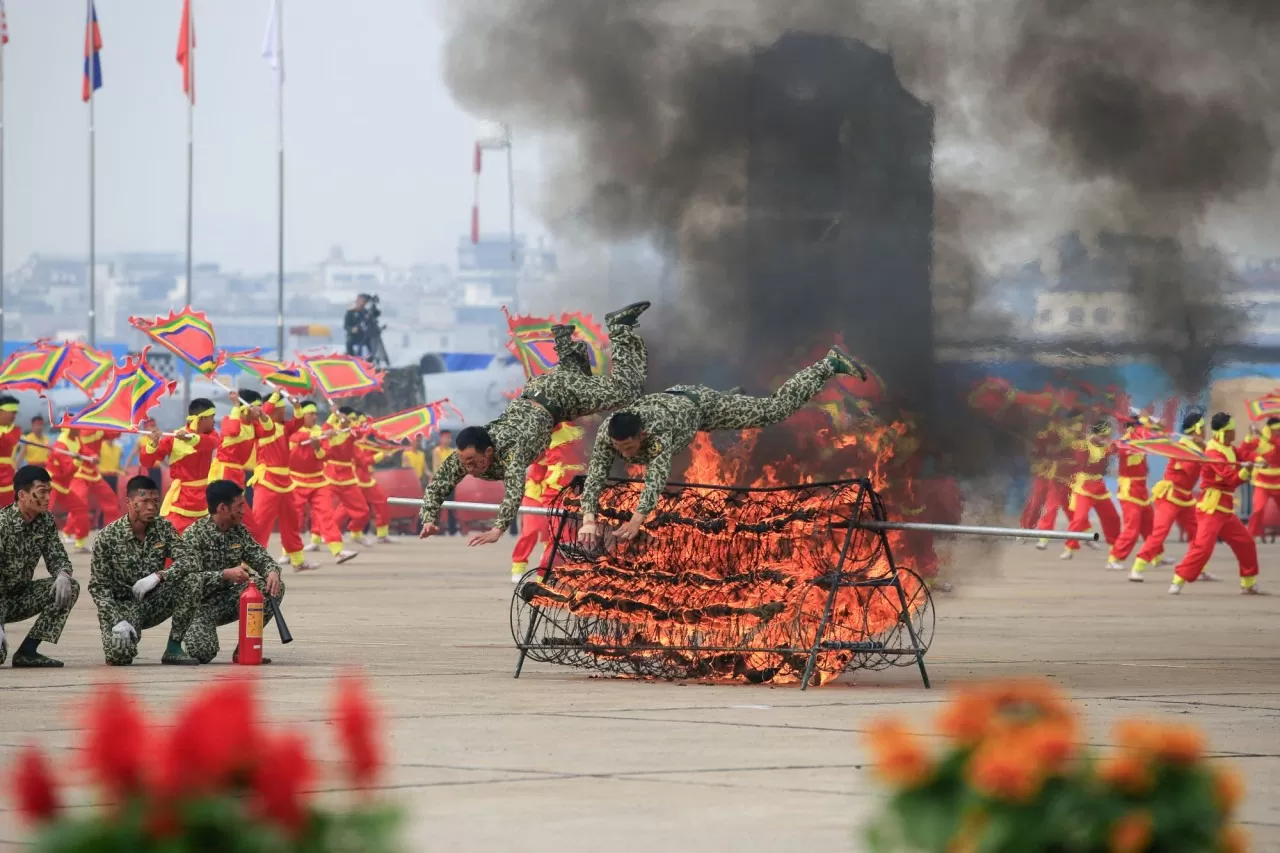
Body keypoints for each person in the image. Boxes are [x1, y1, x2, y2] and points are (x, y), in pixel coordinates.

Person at [577, 345, 867, 542]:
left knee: (774, 410)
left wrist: (637, 519)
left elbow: (655, 478)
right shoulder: (609, 435)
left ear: (641, 434)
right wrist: (588, 519)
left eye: (629, 447)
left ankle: (828, 363)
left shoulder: (658, 433)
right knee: (606, 465)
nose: (625, 453)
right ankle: (734, 397)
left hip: (700, 406)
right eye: (620, 448)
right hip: (679, 411)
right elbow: (595, 476)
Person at [420, 301, 652, 545]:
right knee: (577, 376)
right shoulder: (465, 456)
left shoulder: (511, 453)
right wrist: (428, 517)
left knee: (627, 391)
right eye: (465, 463)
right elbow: (438, 485)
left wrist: (497, 530)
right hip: (540, 392)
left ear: (489, 452)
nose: (469, 469)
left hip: (557, 398)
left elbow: (513, 493)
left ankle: (619, 328)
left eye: (472, 462)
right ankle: (564, 342)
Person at [87, 475, 225, 666]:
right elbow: (98, 587)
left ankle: (174, 647)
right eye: (144, 502)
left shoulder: (163, 528)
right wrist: (117, 619)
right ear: (129, 502)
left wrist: (160, 575)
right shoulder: (108, 537)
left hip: (155, 601)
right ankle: (121, 634)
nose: (151, 507)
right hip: (123, 606)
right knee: (120, 656)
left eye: (155, 501)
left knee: (193, 579)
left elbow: (191, 559)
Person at [181, 480, 287, 664]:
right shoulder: (194, 535)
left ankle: (246, 650)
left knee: (269, 588)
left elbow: (260, 556)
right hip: (200, 605)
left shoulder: (239, 531)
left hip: (230, 599)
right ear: (222, 507)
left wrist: (272, 571)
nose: (243, 511)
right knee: (202, 653)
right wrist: (225, 574)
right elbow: (186, 581)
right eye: (239, 506)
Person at [1170, 413, 1264, 596]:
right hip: (1211, 508)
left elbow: (1243, 453)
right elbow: (1230, 479)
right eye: (1231, 431)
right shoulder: (1212, 452)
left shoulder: (1227, 448)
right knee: (1203, 547)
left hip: (1226, 509)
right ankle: (1178, 579)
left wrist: (1257, 460)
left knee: (1245, 543)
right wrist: (1246, 471)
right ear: (1222, 432)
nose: (1234, 433)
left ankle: (1248, 583)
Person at [0, 466, 80, 667]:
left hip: (19, 596)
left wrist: (63, 573)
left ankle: (28, 651)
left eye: (49, 492)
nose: (47, 498)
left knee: (69, 586)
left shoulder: (45, 520)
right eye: (42, 492)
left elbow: (57, 556)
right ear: (22, 495)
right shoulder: (3, 524)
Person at [1129, 412, 1205, 582]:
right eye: (1203, 428)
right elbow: (1190, 465)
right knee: (1160, 532)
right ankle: (1138, 567)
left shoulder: (1198, 447)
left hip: (1185, 497)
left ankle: (1197, 569)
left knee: (1198, 533)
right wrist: (1203, 453)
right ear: (1196, 431)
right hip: (1170, 495)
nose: (1205, 432)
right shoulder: (1181, 447)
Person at [250, 393, 318, 572]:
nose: (284, 413)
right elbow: (266, 416)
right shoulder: (261, 426)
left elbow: (298, 421)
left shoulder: (284, 427)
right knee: (261, 522)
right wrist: (274, 396)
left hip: (286, 482)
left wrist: (296, 405)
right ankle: (249, 563)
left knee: (291, 522)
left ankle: (298, 560)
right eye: (282, 410)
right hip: (267, 481)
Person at [512, 423, 585, 583]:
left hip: (558, 491)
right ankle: (518, 565)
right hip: (536, 493)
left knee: (556, 535)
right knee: (530, 531)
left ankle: (545, 572)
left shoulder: (580, 432)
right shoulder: (550, 430)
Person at [138, 398, 222, 534]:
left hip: (203, 500)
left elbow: (212, 443)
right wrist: (153, 444)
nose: (214, 420)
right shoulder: (173, 437)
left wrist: (190, 438)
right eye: (211, 417)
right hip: (181, 500)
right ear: (201, 419)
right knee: (170, 544)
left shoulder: (211, 434)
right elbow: (146, 462)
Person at [289, 400, 357, 564]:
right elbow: (296, 439)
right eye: (310, 414)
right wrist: (318, 437)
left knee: (326, 515)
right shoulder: (293, 430)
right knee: (294, 518)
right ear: (302, 415)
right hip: (296, 481)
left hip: (318, 480)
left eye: (315, 414)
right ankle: (288, 552)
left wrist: (318, 446)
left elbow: (325, 455)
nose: (314, 416)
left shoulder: (320, 431)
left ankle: (337, 551)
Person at [1058, 421, 1121, 560]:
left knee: (1112, 517)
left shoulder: (1106, 445)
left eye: (1107, 436)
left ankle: (1114, 547)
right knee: (1079, 519)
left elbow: (1118, 448)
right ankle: (1070, 548)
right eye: (1103, 436)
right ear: (1095, 434)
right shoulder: (1083, 446)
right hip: (1084, 485)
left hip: (1099, 486)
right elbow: (1083, 462)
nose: (1105, 438)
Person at [209, 390, 266, 531]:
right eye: (257, 407)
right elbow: (233, 431)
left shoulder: (253, 425)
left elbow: (268, 431)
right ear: (246, 407)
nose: (259, 410)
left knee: (245, 522)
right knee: (224, 516)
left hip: (238, 473)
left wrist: (263, 416)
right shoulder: (229, 419)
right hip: (224, 472)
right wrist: (236, 406)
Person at [56, 427, 122, 546]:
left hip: (93, 473)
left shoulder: (99, 429)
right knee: (80, 504)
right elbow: (81, 447)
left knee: (110, 499)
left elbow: (112, 434)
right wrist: (91, 455)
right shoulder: (79, 431)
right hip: (79, 472)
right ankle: (69, 532)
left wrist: (122, 427)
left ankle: (113, 532)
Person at [1106, 416, 1154, 570]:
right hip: (1129, 490)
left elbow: (1152, 438)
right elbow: (1111, 449)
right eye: (1138, 427)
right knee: (1132, 529)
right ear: (1131, 428)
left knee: (1150, 527)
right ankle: (1114, 558)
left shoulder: (1142, 441)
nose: (1142, 430)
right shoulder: (1124, 443)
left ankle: (1156, 556)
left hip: (1141, 489)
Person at [322, 407, 372, 547]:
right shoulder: (331, 431)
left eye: (352, 419)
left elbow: (361, 432)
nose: (350, 421)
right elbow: (324, 430)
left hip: (348, 477)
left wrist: (353, 423)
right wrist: (334, 414)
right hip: (330, 475)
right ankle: (319, 537)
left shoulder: (351, 433)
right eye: (350, 418)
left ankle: (355, 532)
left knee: (363, 510)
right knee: (324, 509)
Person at [1246, 416, 1280, 541]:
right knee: (1258, 510)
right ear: (1270, 429)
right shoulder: (1261, 440)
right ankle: (1250, 536)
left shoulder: (1273, 439)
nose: (1278, 431)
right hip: (1263, 481)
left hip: (1278, 481)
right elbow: (1246, 450)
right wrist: (1250, 434)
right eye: (1276, 429)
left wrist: (1264, 436)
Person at [428, 431, 457, 535]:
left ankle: (452, 530)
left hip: (451, 482)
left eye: (449, 438)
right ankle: (435, 528)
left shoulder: (453, 451)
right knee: (438, 507)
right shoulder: (436, 451)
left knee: (451, 507)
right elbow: (436, 467)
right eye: (445, 438)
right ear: (440, 439)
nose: (447, 440)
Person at [0, 395, 24, 507]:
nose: (14, 416)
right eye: (11, 412)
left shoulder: (15, 430)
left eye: (15, 412)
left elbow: (7, 441)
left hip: (6, 477)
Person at [344, 293, 373, 357]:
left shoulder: (367, 313)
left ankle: (371, 358)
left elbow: (370, 324)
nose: (361, 303)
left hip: (364, 335)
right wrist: (352, 329)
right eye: (359, 300)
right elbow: (346, 326)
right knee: (349, 342)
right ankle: (351, 356)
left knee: (372, 343)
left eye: (363, 301)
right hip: (353, 336)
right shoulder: (350, 312)